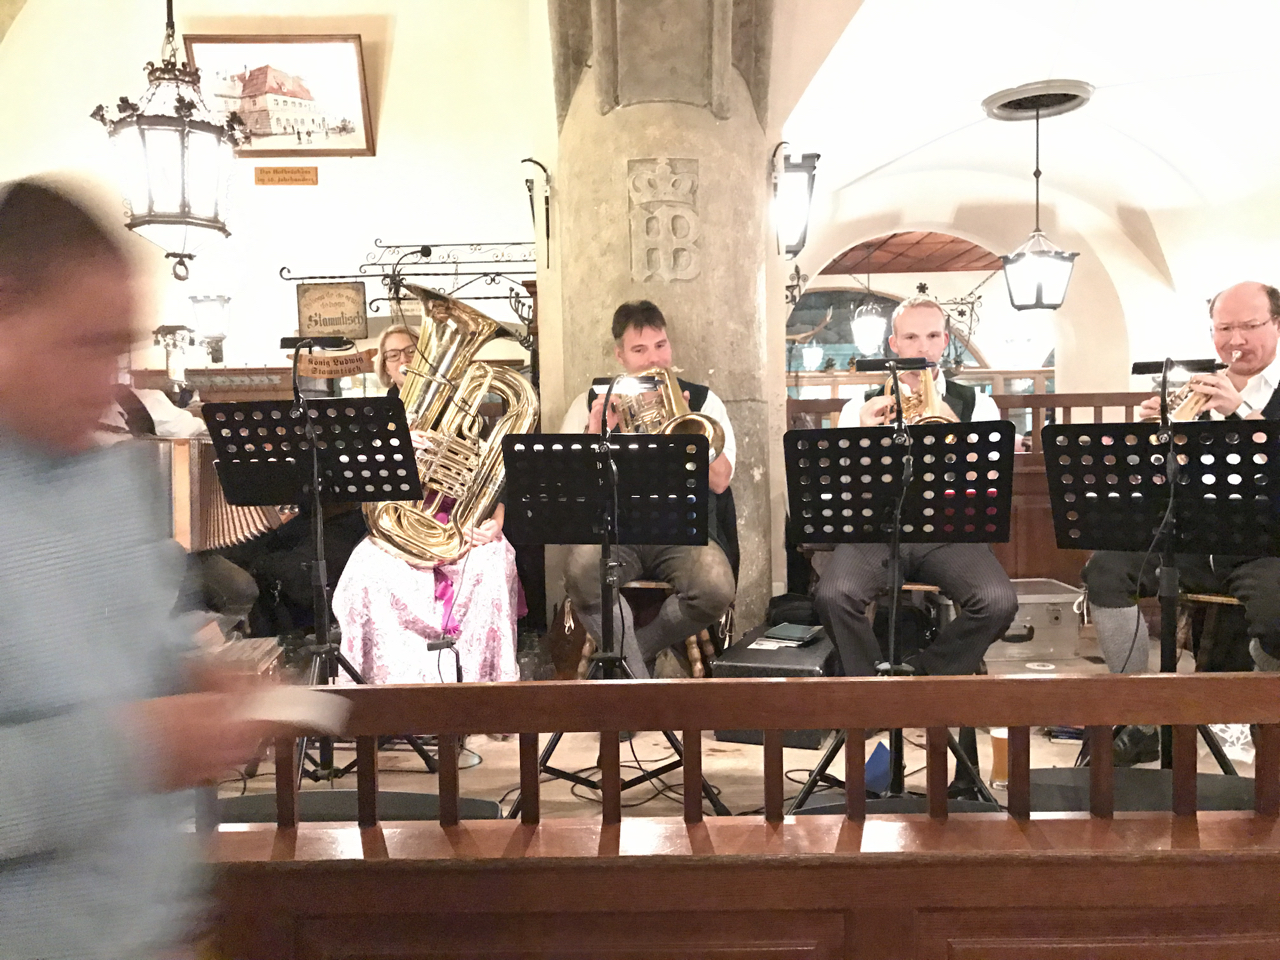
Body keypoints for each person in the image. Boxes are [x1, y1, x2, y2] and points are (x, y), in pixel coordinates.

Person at [0, 178, 282, 958]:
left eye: (123, 347)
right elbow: (127, 742)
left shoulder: (105, 478)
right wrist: (134, 751)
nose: (115, 383)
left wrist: (198, 681)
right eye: (87, 346)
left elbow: (134, 656)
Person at [1082, 281, 1280, 764]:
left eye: (1249, 326)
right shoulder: (1198, 388)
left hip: (1265, 546)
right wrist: (1152, 435)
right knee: (1106, 569)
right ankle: (1138, 715)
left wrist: (1242, 412)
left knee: (1277, 613)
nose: (1235, 340)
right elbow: (1155, 483)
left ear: (1276, 324)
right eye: (1224, 328)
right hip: (1192, 539)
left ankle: (1263, 720)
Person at [816, 296, 1018, 678]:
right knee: (833, 596)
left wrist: (953, 425)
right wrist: (862, 439)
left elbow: (989, 482)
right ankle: (871, 687)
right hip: (876, 532)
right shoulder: (859, 406)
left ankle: (925, 678)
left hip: (949, 533)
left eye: (932, 336)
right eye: (911, 337)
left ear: (945, 342)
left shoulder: (979, 405)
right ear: (894, 344)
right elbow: (843, 488)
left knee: (997, 602)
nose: (923, 347)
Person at [333, 324, 522, 684]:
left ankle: (483, 683)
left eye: (412, 351)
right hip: (399, 530)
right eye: (393, 355)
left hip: (460, 523)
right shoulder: (374, 418)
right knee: (363, 571)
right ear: (385, 367)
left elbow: (495, 478)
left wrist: (496, 521)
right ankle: (387, 682)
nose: (404, 360)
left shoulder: (463, 408)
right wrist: (395, 448)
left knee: (493, 561)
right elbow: (363, 488)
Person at [560, 300, 737, 679]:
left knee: (716, 588)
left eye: (661, 345)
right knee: (581, 574)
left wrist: (684, 427)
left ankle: (630, 660)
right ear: (620, 355)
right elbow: (572, 488)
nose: (654, 358)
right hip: (616, 532)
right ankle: (640, 680)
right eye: (639, 350)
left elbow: (721, 480)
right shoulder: (590, 402)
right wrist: (596, 430)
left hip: (685, 532)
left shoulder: (704, 402)